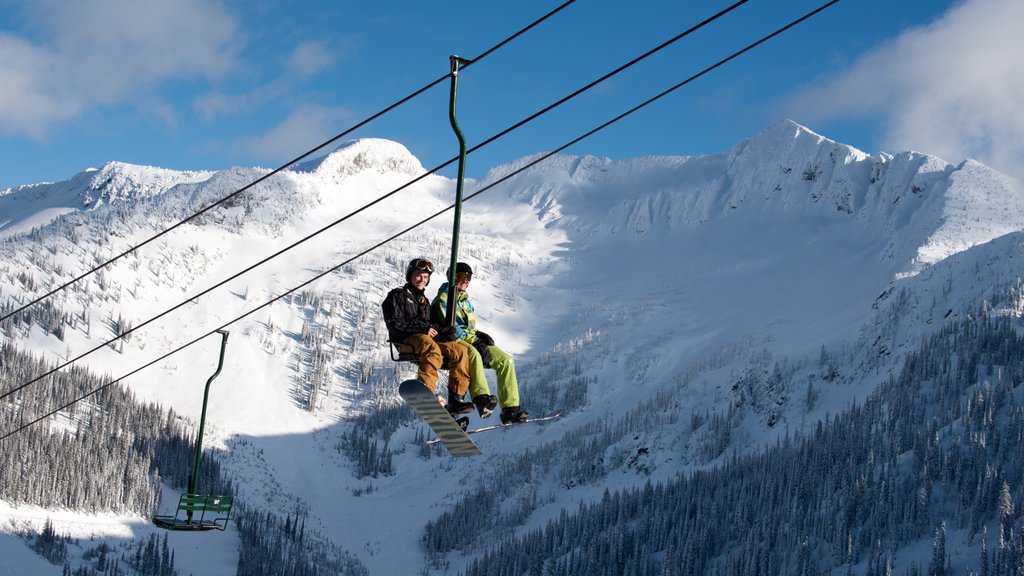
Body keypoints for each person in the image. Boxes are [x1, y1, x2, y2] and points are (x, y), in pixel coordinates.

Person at [431, 262, 528, 424]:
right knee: (474, 354)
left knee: (506, 360)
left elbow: (468, 327)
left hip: (471, 338)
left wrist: (479, 335)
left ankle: (510, 409)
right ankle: (481, 398)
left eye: (468, 278)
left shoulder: (466, 302)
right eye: (462, 277)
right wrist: (475, 340)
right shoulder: (444, 299)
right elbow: (451, 328)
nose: (465, 281)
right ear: (452, 277)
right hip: (453, 340)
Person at [381, 258, 473, 415]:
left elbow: (431, 325)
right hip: (405, 340)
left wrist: (445, 330)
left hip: (424, 338)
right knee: (430, 346)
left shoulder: (424, 301)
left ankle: (456, 398)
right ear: (410, 276)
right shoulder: (397, 295)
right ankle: (427, 391)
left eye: (425, 277)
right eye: (419, 275)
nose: (422, 280)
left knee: (459, 350)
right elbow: (395, 323)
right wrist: (424, 328)